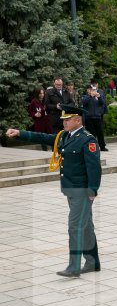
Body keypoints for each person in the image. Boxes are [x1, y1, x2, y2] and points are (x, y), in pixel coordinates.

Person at [5, 104, 101, 277]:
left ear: (77, 120)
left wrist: (92, 190)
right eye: (63, 119)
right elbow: (43, 137)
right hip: (70, 189)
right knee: (85, 225)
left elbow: (94, 168)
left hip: (82, 191)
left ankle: (74, 267)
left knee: (75, 227)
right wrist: (20, 133)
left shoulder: (88, 139)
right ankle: (93, 262)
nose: (63, 122)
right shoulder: (64, 136)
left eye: (67, 120)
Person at [81, 85, 108, 151]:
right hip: (89, 118)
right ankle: (93, 147)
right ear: (87, 90)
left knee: (100, 133)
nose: (92, 91)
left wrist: (99, 97)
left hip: (97, 117)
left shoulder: (96, 97)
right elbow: (84, 102)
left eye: (93, 89)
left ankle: (102, 146)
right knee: (92, 133)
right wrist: (90, 96)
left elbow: (102, 103)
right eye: (90, 89)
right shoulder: (85, 96)